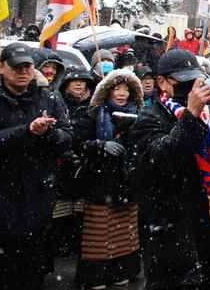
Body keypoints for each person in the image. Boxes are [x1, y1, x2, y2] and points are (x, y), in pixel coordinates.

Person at [129, 49, 210, 290]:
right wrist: (190, 117)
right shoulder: (149, 116)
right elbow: (160, 162)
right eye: (183, 83)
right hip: (173, 229)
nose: (191, 89)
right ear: (161, 82)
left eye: (195, 80)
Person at [0, 42, 72, 290]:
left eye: (28, 66)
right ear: (1, 67)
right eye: (16, 67)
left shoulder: (49, 98)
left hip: (36, 203)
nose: (23, 72)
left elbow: (67, 138)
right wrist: (25, 131)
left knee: (30, 276)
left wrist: (47, 134)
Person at [72, 68, 143, 289]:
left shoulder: (139, 116)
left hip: (127, 182)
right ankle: (95, 276)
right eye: (117, 88)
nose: (121, 93)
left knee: (124, 230)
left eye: (125, 89)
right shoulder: (93, 114)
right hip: (99, 181)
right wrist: (100, 145)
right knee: (99, 231)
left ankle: (121, 271)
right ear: (107, 91)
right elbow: (76, 143)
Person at [49, 68, 95, 259]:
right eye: (74, 81)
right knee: (61, 208)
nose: (78, 84)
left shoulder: (94, 107)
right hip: (62, 163)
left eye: (82, 81)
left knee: (81, 207)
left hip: (85, 163)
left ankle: (77, 243)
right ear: (66, 84)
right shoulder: (57, 104)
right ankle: (60, 243)